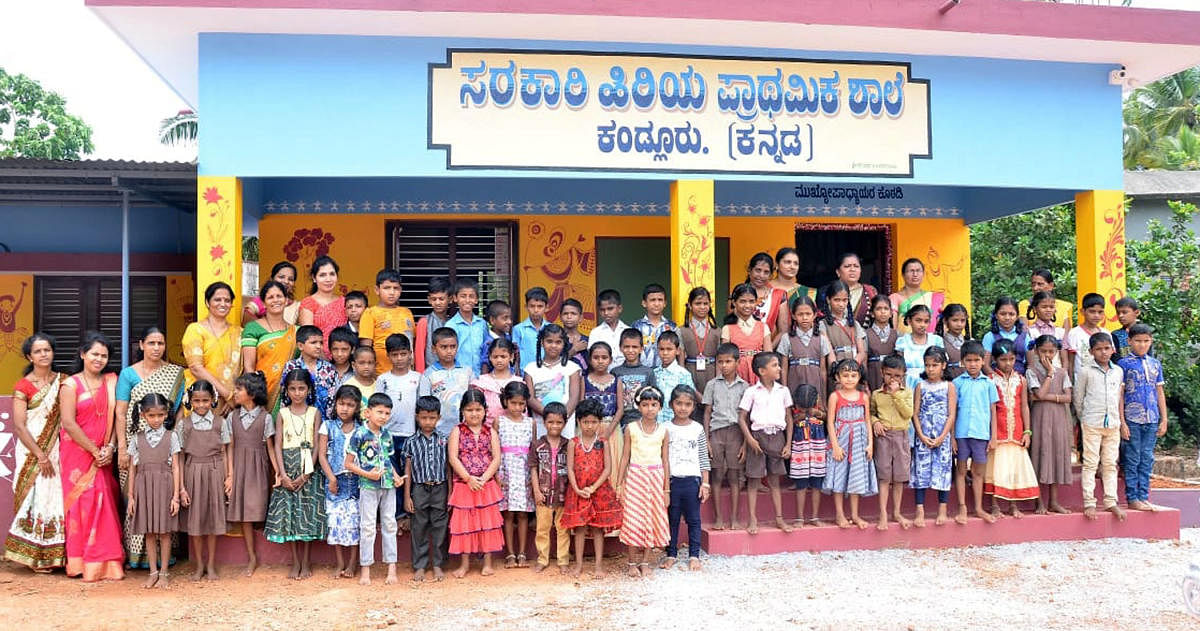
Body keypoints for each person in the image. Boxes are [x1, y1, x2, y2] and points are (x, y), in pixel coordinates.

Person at [114, 326, 186, 569]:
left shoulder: (175, 373)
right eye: (152, 343)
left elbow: (177, 414)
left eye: (161, 343)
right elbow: (121, 412)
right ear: (142, 345)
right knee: (137, 497)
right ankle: (137, 556)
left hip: (164, 445)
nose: (157, 348)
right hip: (135, 445)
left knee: (164, 496)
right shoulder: (128, 375)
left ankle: (165, 559)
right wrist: (122, 449)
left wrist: (174, 443)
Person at [57, 332, 124, 581]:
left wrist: (111, 448)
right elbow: (68, 423)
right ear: (83, 354)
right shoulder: (70, 385)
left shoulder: (111, 381)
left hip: (104, 454)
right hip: (77, 454)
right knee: (81, 505)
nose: (99, 359)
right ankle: (80, 563)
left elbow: (117, 416)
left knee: (104, 501)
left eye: (104, 355)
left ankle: (105, 563)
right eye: (94, 354)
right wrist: (95, 451)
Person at [4, 333, 67, 571]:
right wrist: (40, 455)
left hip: (59, 449)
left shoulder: (63, 381)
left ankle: (56, 554)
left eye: (47, 350)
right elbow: (20, 425)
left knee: (56, 497)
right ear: (30, 356)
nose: (44, 354)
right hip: (33, 451)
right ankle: (34, 556)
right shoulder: (23, 386)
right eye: (38, 351)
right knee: (36, 497)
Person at [266, 369, 327, 579]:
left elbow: (319, 444)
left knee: (307, 513)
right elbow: (277, 444)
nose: (297, 393)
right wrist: (282, 474)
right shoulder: (282, 414)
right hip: (288, 467)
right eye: (293, 389)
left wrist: (307, 474)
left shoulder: (315, 412)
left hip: (309, 467)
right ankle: (295, 561)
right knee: (291, 515)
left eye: (301, 388)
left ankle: (307, 561)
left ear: (308, 389)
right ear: (287, 390)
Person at [345, 392, 405, 585]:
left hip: (388, 486)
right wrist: (367, 474)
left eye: (387, 413)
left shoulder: (387, 435)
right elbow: (349, 464)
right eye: (379, 412)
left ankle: (392, 568)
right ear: (368, 412)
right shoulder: (359, 434)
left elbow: (388, 461)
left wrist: (396, 477)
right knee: (368, 526)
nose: (383, 417)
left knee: (390, 524)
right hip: (368, 486)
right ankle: (366, 570)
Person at [175, 380, 231, 582]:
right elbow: (179, 456)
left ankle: (211, 565)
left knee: (213, 520)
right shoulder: (184, 425)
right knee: (196, 522)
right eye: (196, 401)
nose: (200, 405)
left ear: (212, 400)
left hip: (215, 471)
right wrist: (181, 487)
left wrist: (229, 476)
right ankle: (199, 566)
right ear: (190, 401)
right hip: (192, 472)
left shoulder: (220, 423)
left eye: (205, 401)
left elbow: (226, 451)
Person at [124, 392, 180, 589]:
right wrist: (131, 497)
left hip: (165, 487)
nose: (156, 420)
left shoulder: (172, 436)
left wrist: (175, 496)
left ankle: (164, 573)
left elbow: (176, 467)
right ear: (143, 415)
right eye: (151, 415)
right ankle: (153, 572)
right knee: (148, 531)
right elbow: (132, 468)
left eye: (160, 415)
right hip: (144, 488)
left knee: (164, 532)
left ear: (166, 415)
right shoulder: (137, 439)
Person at [561, 400, 623, 576]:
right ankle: (579, 565)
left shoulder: (603, 442)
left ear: (599, 422)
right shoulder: (573, 443)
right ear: (579, 422)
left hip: (600, 492)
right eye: (585, 422)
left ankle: (598, 566)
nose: (589, 426)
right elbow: (570, 468)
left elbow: (607, 468)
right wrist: (576, 488)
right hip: (578, 492)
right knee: (579, 528)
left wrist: (593, 488)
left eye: (594, 422)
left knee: (598, 529)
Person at [375, 333, 431, 524]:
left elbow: (423, 408)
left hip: (411, 435)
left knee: (410, 476)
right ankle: (394, 515)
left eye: (403, 354)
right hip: (387, 436)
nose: (399, 359)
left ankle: (410, 514)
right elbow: (377, 408)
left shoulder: (419, 378)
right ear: (388, 356)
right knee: (391, 476)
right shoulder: (383, 380)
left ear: (410, 354)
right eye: (395, 355)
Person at [448, 389, 504, 578]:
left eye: (478, 409)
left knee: (487, 525)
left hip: (486, 485)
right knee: (465, 526)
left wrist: (484, 478)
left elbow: (496, 458)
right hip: (465, 485)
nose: (474, 414)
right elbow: (453, 458)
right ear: (463, 410)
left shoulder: (491, 432)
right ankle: (464, 564)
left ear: (485, 410)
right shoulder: (457, 431)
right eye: (470, 410)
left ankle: (487, 563)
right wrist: (469, 478)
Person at [617, 386, 670, 577]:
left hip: (655, 478)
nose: (649, 409)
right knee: (633, 519)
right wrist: (619, 484)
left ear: (660, 407)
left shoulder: (664, 431)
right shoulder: (631, 429)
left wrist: (666, 490)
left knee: (652, 519)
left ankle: (645, 561)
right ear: (638, 406)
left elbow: (665, 461)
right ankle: (632, 562)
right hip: (635, 477)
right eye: (645, 404)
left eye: (654, 405)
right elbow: (625, 457)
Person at [738, 352, 794, 534]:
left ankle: (779, 518)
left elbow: (789, 418)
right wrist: (750, 440)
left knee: (775, 480)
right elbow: (741, 418)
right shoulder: (751, 391)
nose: (779, 368)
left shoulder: (783, 391)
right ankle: (752, 519)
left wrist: (788, 444)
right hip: (758, 437)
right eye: (775, 365)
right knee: (753, 481)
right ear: (762, 371)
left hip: (777, 436)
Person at [1073, 332, 1126, 521]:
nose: (1103, 353)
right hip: (1092, 423)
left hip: (1112, 423)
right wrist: (1084, 418)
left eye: (1107, 348)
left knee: (1110, 464)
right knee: (1090, 463)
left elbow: (1118, 397)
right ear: (1091, 351)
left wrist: (1118, 421)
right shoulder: (1086, 371)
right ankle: (1089, 502)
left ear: (1113, 349)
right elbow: (1078, 398)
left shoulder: (1118, 371)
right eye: (1098, 349)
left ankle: (1111, 501)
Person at [984, 339, 1040, 518]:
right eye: (1003, 360)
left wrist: (1027, 431)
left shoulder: (1021, 380)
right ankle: (995, 505)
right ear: (994, 359)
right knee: (997, 469)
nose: (1008, 364)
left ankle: (1013, 505)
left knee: (1013, 469)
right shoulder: (990, 380)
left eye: (1011, 359)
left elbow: (1024, 406)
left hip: (1016, 432)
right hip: (998, 432)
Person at [227, 372, 274, 576]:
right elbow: (229, 447)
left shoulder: (266, 418)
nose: (234, 393)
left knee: (258, 507)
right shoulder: (232, 417)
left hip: (258, 468)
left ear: (252, 393)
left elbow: (270, 448)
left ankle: (271, 552)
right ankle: (252, 556)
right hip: (239, 466)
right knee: (245, 514)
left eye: (239, 389)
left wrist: (278, 473)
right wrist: (230, 474)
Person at [822, 358, 877, 529]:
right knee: (839, 476)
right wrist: (835, 446)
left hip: (859, 441)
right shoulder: (834, 397)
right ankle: (840, 514)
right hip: (841, 440)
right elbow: (830, 422)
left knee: (856, 477)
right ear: (838, 377)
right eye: (845, 375)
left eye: (853, 375)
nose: (849, 379)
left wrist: (870, 444)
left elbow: (867, 420)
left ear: (859, 377)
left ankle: (855, 515)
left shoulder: (864, 397)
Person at [1118, 323, 1168, 511]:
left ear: (1151, 341)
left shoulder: (1155, 364)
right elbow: (1120, 396)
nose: (1142, 345)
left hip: (1152, 417)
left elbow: (1159, 391)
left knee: (1147, 457)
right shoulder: (1123, 364)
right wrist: (1122, 422)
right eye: (1138, 341)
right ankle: (1132, 497)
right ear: (1129, 341)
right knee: (1132, 457)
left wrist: (1164, 419)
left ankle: (1144, 496)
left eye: (1146, 341)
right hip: (1132, 418)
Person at [662, 385, 710, 571]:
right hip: (672, 480)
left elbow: (703, 458)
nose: (683, 408)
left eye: (688, 404)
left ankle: (694, 555)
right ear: (671, 404)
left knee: (693, 519)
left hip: (692, 480)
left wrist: (705, 483)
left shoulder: (697, 429)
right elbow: (662, 456)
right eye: (679, 403)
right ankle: (671, 553)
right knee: (672, 519)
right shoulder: (665, 428)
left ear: (693, 406)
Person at [702, 343, 749, 530]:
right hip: (716, 432)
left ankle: (735, 518)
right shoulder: (712, 384)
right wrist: (706, 439)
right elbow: (707, 412)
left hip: (736, 433)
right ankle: (718, 518)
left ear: (737, 362)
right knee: (717, 475)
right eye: (720, 362)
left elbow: (747, 418)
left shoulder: (745, 387)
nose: (724, 365)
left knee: (734, 475)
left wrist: (745, 443)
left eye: (728, 361)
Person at [951, 341, 999, 525]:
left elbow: (993, 411)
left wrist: (993, 436)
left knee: (978, 472)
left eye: (976, 360)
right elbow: (953, 412)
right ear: (962, 361)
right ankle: (962, 507)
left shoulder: (988, 383)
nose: (972, 364)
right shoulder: (956, 383)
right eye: (968, 360)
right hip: (962, 434)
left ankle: (978, 507)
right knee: (961, 470)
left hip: (981, 434)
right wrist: (953, 437)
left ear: (982, 361)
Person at [317, 385, 362, 580]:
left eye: (350, 405)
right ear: (335, 404)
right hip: (334, 480)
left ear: (357, 407)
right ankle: (340, 563)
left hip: (355, 481)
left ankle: (352, 562)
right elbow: (321, 455)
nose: (345, 408)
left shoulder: (362, 430)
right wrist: (331, 478)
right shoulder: (327, 426)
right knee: (335, 523)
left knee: (353, 523)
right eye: (341, 404)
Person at [403, 396, 450, 582]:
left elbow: (448, 468)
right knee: (419, 527)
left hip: (440, 487)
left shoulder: (444, 441)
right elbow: (407, 469)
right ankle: (420, 565)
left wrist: (451, 491)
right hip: (419, 489)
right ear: (417, 417)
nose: (428, 422)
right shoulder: (411, 442)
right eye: (423, 418)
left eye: (432, 418)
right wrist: (407, 496)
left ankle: (438, 564)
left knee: (440, 527)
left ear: (438, 417)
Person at [1026, 335, 1074, 515]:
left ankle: (1054, 501)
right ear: (1036, 351)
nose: (1047, 354)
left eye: (1051, 351)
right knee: (1040, 454)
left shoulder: (1063, 372)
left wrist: (1045, 397)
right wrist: (1049, 374)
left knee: (1056, 455)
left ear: (1056, 352)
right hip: (1039, 418)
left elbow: (1068, 397)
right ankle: (1039, 502)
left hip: (1059, 418)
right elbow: (1036, 394)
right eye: (1043, 351)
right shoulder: (1031, 371)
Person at [911, 347, 956, 527]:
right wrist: (921, 435)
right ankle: (919, 511)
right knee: (920, 471)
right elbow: (915, 413)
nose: (930, 369)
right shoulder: (920, 386)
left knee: (943, 472)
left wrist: (943, 436)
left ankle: (942, 509)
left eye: (935, 365)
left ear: (943, 365)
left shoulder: (949, 386)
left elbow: (951, 414)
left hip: (942, 436)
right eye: (927, 365)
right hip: (923, 435)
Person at [183, 281, 243, 414]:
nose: (223, 304)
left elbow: (242, 369)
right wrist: (227, 395)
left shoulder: (239, 332)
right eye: (217, 299)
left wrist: (234, 398)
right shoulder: (195, 330)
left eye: (227, 300)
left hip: (230, 406)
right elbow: (196, 368)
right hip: (201, 400)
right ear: (207, 302)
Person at [870, 355, 913, 531]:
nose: (892, 379)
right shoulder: (876, 394)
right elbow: (871, 412)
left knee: (899, 478)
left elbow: (908, 413)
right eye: (889, 375)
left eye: (897, 376)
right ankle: (883, 514)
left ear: (903, 376)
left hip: (901, 436)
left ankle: (896, 512)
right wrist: (875, 422)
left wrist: (896, 395)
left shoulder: (906, 393)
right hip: (884, 438)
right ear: (882, 373)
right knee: (884, 476)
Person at [241, 280, 298, 413]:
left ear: (286, 300)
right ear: (263, 302)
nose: (275, 300)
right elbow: (248, 367)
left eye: (279, 296)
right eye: (270, 297)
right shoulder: (253, 328)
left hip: (290, 397)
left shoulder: (296, 332)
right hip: (262, 393)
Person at [495, 381, 535, 569]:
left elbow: (533, 451)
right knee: (509, 513)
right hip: (506, 471)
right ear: (506, 401)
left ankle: (523, 553)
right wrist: (496, 474)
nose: (517, 407)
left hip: (524, 472)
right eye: (513, 403)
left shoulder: (531, 422)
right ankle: (510, 553)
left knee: (523, 514)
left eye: (521, 404)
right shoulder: (499, 421)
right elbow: (494, 449)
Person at [531, 401, 574, 574]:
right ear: (544, 422)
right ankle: (542, 559)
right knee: (542, 529)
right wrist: (536, 490)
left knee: (563, 529)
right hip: (543, 494)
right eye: (550, 422)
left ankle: (563, 560)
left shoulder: (568, 444)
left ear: (564, 423)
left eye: (558, 422)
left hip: (564, 495)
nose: (554, 426)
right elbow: (533, 468)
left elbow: (572, 470)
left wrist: (572, 492)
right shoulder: (537, 445)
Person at [524, 323, 582, 439]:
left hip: (565, 424)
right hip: (541, 424)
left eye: (558, 342)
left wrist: (561, 418)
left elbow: (574, 397)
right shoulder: (530, 369)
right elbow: (530, 398)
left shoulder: (572, 368)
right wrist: (549, 417)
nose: (553, 346)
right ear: (542, 342)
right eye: (549, 341)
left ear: (564, 343)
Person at [360, 269, 416, 375]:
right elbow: (366, 349)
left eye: (396, 288)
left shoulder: (407, 313)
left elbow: (412, 343)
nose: (392, 292)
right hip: (381, 374)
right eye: (387, 288)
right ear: (377, 290)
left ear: (401, 290)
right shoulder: (370, 313)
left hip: (408, 374)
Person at [778, 295, 828, 406]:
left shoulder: (821, 339)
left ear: (814, 315)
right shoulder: (787, 338)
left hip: (815, 381)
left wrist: (824, 398)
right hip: (794, 381)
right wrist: (784, 393)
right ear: (793, 315)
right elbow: (784, 369)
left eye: (808, 314)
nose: (804, 318)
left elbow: (823, 370)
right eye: (800, 314)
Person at [279, 325, 338, 418]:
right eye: (313, 342)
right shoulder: (291, 367)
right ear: (300, 346)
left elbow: (332, 399)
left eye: (321, 343)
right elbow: (285, 396)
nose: (319, 346)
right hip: (296, 421)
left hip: (323, 423)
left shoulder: (329, 369)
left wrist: (327, 426)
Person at [788, 383, 826, 527]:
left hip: (818, 449)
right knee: (801, 484)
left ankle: (814, 517)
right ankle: (799, 518)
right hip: (801, 451)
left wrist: (818, 414)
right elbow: (790, 422)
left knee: (817, 484)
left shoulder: (818, 407)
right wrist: (800, 416)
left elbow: (826, 417)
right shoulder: (794, 411)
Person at [297, 255, 347, 358]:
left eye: (332, 274)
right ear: (314, 278)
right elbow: (309, 339)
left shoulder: (345, 302)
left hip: (344, 359)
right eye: (322, 275)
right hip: (318, 361)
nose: (328, 279)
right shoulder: (308, 303)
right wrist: (326, 366)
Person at [723, 283, 772, 385]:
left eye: (751, 301)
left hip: (759, 372)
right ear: (734, 302)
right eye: (742, 301)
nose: (747, 305)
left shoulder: (763, 327)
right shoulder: (727, 328)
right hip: (735, 374)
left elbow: (769, 357)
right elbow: (725, 357)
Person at [679, 287, 719, 407]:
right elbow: (681, 362)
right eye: (698, 303)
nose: (702, 307)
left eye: (705, 303)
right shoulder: (681, 330)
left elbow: (719, 359)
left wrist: (717, 381)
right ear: (690, 305)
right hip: (690, 373)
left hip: (712, 373)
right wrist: (686, 382)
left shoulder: (717, 331)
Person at [612, 328, 657, 431]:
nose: (631, 350)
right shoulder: (615, 372)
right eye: (627, 347)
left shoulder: (648, 372)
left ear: (641, 348)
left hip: (643, 422)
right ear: (620, 348)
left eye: (635, 347)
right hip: (621, 422)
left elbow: (654, 399)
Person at [818, 281, 867, 374]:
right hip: (836, 369)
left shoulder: (855, 324)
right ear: (828, 300)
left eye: (844, 300)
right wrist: (837, 368)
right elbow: (829, 352)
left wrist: (852, 366)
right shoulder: (823, 324)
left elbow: (862, 352)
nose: (841, 304)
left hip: (855, 371)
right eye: (837, 300)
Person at [471, 337, 521, 427]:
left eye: (503, 356)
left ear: (511, 357)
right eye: (495, 357)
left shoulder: (518, 383)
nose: (499, 360)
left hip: (512, 434)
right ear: (490, 357)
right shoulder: (482, 382)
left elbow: (523, 413)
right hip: (486, 432)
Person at [889, 258, 945, 334]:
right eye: (911, 271)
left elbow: (941, 325)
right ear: (903, 274)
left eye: (918, 271)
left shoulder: (933, 297)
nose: (915, 274)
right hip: (904, 342)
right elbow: (893, 328)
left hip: (931, 342)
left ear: (923, 274)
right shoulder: (895, 298)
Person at [746, 252, 790, 346]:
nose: (761, 275)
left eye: (766, 272)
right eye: (758, 270)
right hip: (741, 352)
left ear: (770, 275)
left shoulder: (779, 296)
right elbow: (731, 327)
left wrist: (768, 350)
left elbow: (783, 331)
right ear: (749, 270)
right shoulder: (737, 294)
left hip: (768, 353)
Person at [895, 304, 944, 390]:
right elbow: (899, 368)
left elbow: (942, 366)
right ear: (909, 321)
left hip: (932, 384)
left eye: (926, 321)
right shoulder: (902, 341)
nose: (922, 325)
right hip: (908, 385)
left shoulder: (936, 340)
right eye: (918, 320)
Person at [447, 277, 489, 377]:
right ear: (455, 298)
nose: (467, 300)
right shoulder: (451, 325)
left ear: (476, 300)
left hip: (480, 375)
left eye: (471, 296)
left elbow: (486, 349)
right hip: (458, 376)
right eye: (463, 296)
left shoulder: (482, 324)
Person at [631, 283, 678, 369]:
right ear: (644, 303)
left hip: (666, 373)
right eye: (652, 300)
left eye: (660, 300)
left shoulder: (672, 326)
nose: (656, 304)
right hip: (643, 373)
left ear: (665, 303)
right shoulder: (637, 326)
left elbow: (679, 351)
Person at [652, 331, 694, 423]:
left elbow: (689, 400)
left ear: (678, 350)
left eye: (669, 349)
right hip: (655, 423)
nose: (665, 353)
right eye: (661, 349)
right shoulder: (653, 373)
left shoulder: (683, 374)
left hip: (675, 423)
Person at [981, 297, 1030, 375]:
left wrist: (1019, 381)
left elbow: (1030, 365)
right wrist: (1000, 381)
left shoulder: (1025, 336)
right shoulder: (990, 337)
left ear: (1017, 316)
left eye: (1011, 314)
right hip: (996, 381)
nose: (1007, 318)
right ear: (996, 315)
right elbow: (985, 365)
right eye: (1003, 314)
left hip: (1020, 380)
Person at [414, 276, 452, 374]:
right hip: (430, 373)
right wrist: (421, 375)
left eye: (441, 299)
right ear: (429, 300)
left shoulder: (453, 322)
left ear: (450, 299)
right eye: (434, 299)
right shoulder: (424, 322)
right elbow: (419, 353)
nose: (437, 303)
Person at [1066, 292, 1108, 381]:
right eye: (1092, 311)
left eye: (1100, 312)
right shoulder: (1074, 333)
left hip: (1102, 381)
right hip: (1081, 381)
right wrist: (1070, 383)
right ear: (1083, 311)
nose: (1096, 315)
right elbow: (1070, 362)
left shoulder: (1106, 333)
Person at [242, 261, 299, 326]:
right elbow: (247, 317)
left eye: (291, 279)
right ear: (272, 278)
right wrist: (267, 329)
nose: (286, 281)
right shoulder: (262, 300)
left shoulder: (296, 306)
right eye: (281, 277)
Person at [830, 252, 877, 326]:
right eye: (847, 266)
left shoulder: (870, 291)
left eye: (856, 266)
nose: (852, 269)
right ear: (838, 272)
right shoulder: (828, 291)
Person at [589, 289, 631, 367]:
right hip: (603, 376)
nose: (606, 313)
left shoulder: (628, 331)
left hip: (626, 375)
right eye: (602, 310)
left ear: (620, 308)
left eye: (610, 309)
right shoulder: (595, 333)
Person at [1026, 290, 1068, 368]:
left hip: (1057, 374)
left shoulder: (1060, 332)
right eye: (1044, 307)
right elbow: (1030, 362)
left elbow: (1064, 359)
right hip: (1037, 374)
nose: (1048, 310)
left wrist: (1064, 374)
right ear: (1035, 309)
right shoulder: (1030, 331)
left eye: (1051, 307)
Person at [512, 287, 549, 375]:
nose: (536, 310)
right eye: (532, 306)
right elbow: (515, 354)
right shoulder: (518, 329)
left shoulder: (550, 328)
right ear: (526, 307)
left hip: (547, 373)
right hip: (525, 373)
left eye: (540, 306)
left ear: (546, 308)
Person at [864, 295, 897, 391]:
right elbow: (864, 361)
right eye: (878, 309)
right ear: (872, 313)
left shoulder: (897, 335)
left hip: (892, 377)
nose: (883, 312)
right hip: (873, 375)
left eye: (886, 309)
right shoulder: (865, 334)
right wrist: (865, 384)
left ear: (891, 313)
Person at [477, 300, 514, 375]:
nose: (509, 322)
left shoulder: (509, 338)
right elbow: (485, 365)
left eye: (510, 318)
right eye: (505, 318)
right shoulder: (488, 342)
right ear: (492, 320)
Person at [936, 304, 971, 381]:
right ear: (945, 321)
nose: (959, 324)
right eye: (955, 320)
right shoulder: (939, 343)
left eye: (962, 320)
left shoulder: (971, 342)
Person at [341, 346, 379, 418]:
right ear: (354, 365)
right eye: (361, 363)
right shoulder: (348, 386)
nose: (366, 366)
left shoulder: (379, 385)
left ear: (375, 365)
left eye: (370, 363)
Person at [560, 298, 590, 372]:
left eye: (573, 313)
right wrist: (574, 350)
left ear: (581, 318)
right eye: (565, 313)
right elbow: (553, 365)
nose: (569, 317)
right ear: (560, 317)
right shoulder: (556, 340)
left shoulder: (587, 341)